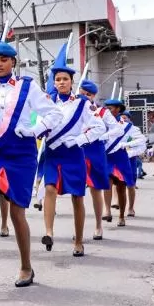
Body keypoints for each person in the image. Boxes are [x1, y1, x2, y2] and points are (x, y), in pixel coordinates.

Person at [0, 39, 61, 287]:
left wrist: (34, 130)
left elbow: (54, 114)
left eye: (3, 60)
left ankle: (26, 266)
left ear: (13, 62)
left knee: (17, 213)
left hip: (21, 153)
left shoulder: (27, 87)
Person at [38, 60, 91, 257]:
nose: (61, 82)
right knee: (49, 188)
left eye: (65, 79)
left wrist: (78, 140)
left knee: (77, 197)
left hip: (74, 153)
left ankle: (78, 241)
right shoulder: (47, 102)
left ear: (71, 82)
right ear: (54, 83)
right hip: (53, 153)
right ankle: (49, 233)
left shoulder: (82, 104)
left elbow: (99, 128)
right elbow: (40, 121)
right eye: (58, 79)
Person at [77, 80, 115, 240]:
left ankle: (98, 226)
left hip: (95, 150)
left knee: (95, 189)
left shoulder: (102, 111)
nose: (84, 97)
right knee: (76, 191)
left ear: (93, 96)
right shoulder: (73, 106)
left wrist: (101, 137)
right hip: (78, 149)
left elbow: (117, 129)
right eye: (82, 93)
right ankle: (78, 230)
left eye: (88, 95)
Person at [101, 99, 134, 227]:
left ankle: (121, 215)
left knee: (121, 188)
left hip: (120, 157)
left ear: (118, 110)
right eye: (107, 108)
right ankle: (107, 210)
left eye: (111, 108)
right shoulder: (101, 122)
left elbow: (140, 141)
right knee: (107, 182)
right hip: (106, 157)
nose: (108, 110)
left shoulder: (127, 126)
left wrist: (126, 145)